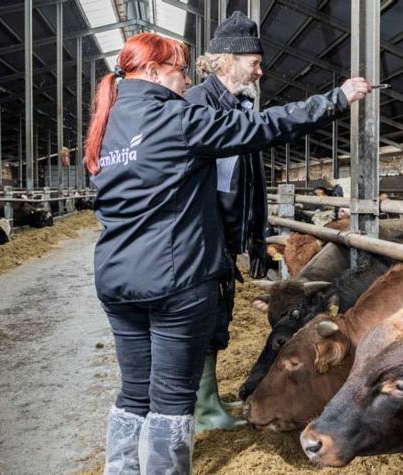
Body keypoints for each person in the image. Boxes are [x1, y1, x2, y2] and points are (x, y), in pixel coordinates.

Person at [85, 33, 370, 474]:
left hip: (117, 279)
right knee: (170, 400)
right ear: (155, 71)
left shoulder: (107, 123)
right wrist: (337, 98)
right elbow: (264, 128)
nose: (186, 80)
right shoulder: (177, 118)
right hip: (174, 281)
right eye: (180, 71)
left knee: (134, 393)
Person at [182, 11, 271, 432]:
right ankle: (202, 411)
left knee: (218, 315)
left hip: (222, 238)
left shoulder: (236, 106)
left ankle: (209, 400)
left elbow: (247, 182)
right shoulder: (199, 104)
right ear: (228, 59)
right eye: (254, 61)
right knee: (203, 318)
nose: (259, 70)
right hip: (202, 239)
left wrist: (253, 236)